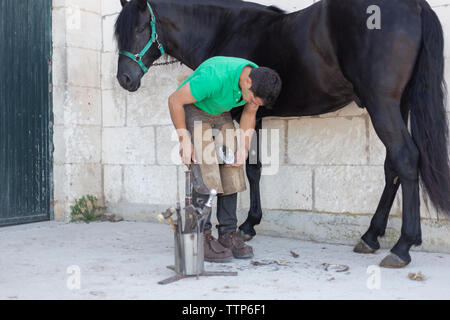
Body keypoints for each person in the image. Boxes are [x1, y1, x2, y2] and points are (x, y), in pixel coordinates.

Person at [168, 56, 282, 262]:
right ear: (247, 82)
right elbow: (175, 100)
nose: (251, 103)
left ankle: (228, 234)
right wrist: (184, 139)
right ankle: (200, 237)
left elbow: (249, 113)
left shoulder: (256, 79)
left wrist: (245, 148)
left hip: (219, 112)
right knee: (206, 170)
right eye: (252, 98)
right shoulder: (214, 77)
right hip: (195, 107)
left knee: (233, 168)